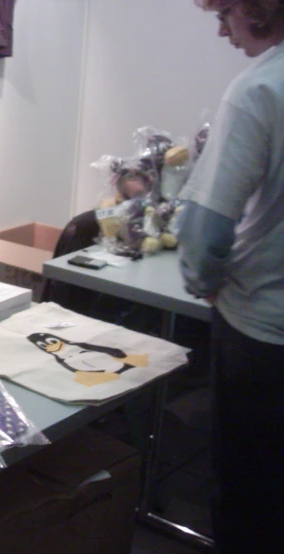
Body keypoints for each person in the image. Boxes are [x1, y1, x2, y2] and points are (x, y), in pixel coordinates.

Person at [177, 2, 284, 552]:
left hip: (265, 334)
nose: (221, 29)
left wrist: (204, 280)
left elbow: (205, 229)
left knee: (251, 498)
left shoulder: (258, 90)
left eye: (225, 12)